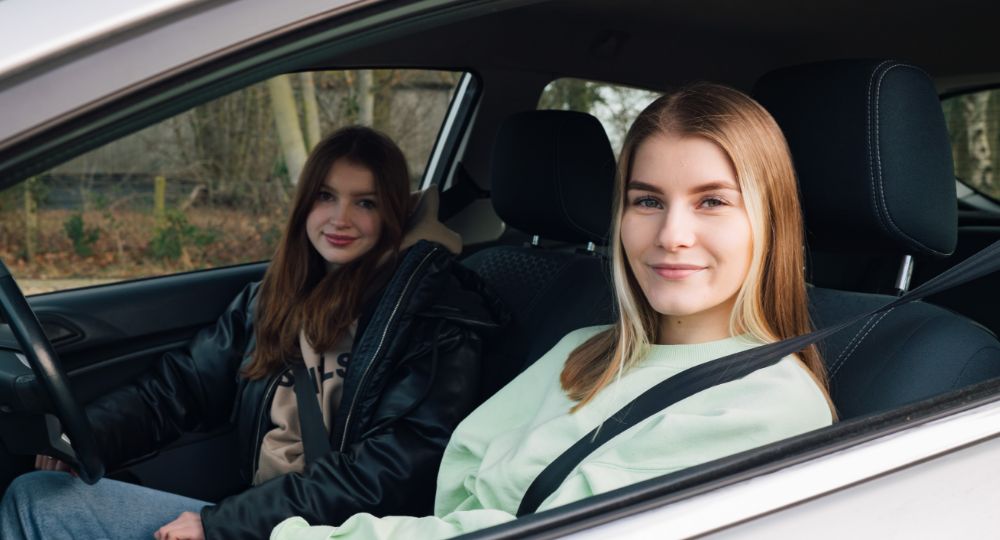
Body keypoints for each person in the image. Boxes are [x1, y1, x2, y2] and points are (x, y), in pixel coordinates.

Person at [269, 83, 836, 540]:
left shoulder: (771, 405)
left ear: (770, 221)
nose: (672, 235)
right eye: (647, 201)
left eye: (712, 201)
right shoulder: (583, 348)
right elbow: (461, 493)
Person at [0, 126, 506, 540]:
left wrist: (223, 524)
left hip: (336, 532)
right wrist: (79, 441)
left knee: (36, 504)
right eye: (326, 196)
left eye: (366, 203)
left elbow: (389, 472)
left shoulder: (437, 317)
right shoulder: (277, 296)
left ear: (394, 211)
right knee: (47, 489)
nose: (340, 219)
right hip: (261, 519)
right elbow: (179, 389)